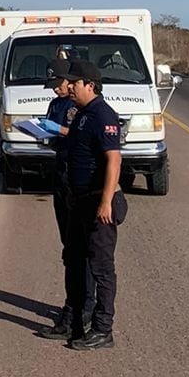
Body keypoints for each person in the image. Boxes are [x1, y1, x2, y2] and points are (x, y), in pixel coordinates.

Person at [60, 59, 128, 350]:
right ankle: (76, 319)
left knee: (101, 267)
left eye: (75, 84)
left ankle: (103, 329)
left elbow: (114, 158)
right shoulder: (83, 114)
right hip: (80, 200)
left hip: (99, 201)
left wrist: (106, 202)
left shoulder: (103, 114)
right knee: (75, 259)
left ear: (90, 85)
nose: (70, 88)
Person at [35, 58, 95, 340]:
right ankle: (73, 308)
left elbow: (84, 137)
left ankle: (83, 309)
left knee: (82, 251)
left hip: (80, 184)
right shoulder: (57, 104)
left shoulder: (84, 107)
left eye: (58, 84)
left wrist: (59, 131)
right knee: (69, 249)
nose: (56, 90)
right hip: (62, 177)